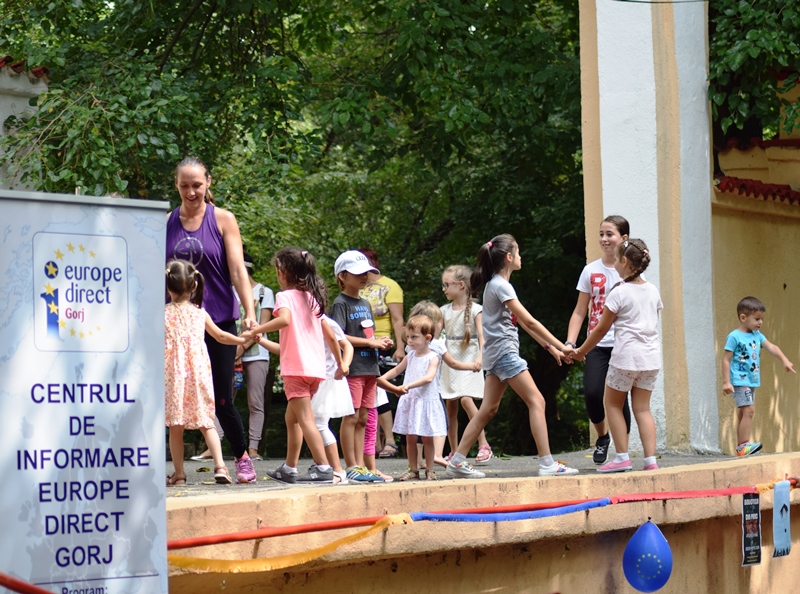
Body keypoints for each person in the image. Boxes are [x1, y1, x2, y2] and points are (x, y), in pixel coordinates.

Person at [445, 234, 579, 479]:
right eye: (518, 252)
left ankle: (457, 460)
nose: (520, 256)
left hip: (495, 355)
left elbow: (524, 325)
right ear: (509, 257)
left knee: (488, 410)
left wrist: (552, 349)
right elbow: (531, 321)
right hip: (504, 354)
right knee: (537, 401)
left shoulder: (495, 285)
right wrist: (564, 346)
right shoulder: (500, 286)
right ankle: (547, 463)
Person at [166, 156, 258, 484]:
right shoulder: (166, 222)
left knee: (220, 397)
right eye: (185, 186)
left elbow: (237, 271)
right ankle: (177, 470)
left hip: (217, 318)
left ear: (208, 183)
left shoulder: (222, 219)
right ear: (176, 185)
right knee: (172, 398)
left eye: (197, 185)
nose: (191, 192)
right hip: (177, 325)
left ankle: (241, 457)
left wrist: (249, 313)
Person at [244, 247, 345, 483]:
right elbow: (326, 338)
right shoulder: (312, 299)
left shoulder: (285, 296)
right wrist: (340, 363)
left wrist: (258, 328)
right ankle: (289, 468)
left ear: (282, 272)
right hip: (315, 370)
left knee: (306, 419)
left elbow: (284, 319)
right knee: (293, 418)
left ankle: (323, 468)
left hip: (296, 370)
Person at [570, 239, 662, 473]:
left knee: (612, 404)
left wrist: (581, 351)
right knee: (643, 408)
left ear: (624, 261)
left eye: (617, 260)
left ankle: (622, 457)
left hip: (626, 358)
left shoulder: (618, 292)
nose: (614, 264)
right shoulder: (653, 290)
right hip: (650, 359)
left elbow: (600, 329)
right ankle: (650, 461)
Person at [164, 259, 247, 486]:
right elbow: (220, 336)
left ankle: (179, 474)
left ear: (168, 286)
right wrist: (242, 339)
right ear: (194, 286)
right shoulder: (200, 313)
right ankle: (220, 467)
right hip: (199, 374)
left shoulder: (163, 314)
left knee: (176, 426)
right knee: (206, 422)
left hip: (174, 377)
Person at [565, 215, 632, 465]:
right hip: (596, 344)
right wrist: (570, 343)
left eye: (609, 234)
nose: (604, 239)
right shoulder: (590, 270)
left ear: (623, 238)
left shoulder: (630, 271)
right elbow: (580, 311)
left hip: (623, 345)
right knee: (593, 393)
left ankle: (622, 454)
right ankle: (603, 437)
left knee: (620, 400)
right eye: (601, 234)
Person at [331, 250, 393, 482]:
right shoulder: (340, 303)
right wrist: (369, 342)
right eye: (358, 273)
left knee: (364, 418)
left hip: (370, 367)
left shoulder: (366, 303)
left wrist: (380, 342)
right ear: (342, 276)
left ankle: (361, 467)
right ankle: (351, 466)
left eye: (366, 273)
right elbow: (338, 336)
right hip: (354, 368)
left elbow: (367, 333)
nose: (364, 277)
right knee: (351, 416)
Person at [722, 296, 795, 457]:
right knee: (749, 410)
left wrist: (785, 360)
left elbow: (772, 347)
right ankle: (743, 446)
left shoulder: (757, 335)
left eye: (762, 319)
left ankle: (741, 448)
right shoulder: (734, 337)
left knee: (743, 412)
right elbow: (726, 360)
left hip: (751, 380)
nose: (760, 322)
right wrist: (726, 382)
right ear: (743, 317)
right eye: (757, 319)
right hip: (739, 380)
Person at [378, 315, 447, 480]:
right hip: (411, 402)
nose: (409, 341)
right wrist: (381, 379)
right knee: (410, 438)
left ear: (427, 338)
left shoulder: (434, 357)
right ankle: (413, 470)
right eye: (408, 337)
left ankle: (430, 470)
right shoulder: (410, 356)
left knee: (427, 439)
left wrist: (408, 386)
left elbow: (428, 377)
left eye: (414, 337)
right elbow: (397, 370)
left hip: (425, 402)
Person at [440, 265, 490, 463]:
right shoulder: (443, 311)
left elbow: (483, 338)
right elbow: (435, 337)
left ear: (461, 285)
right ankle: (455, 451)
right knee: (450, 405)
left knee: (466, 400)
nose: (443, 289)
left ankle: (483, 444)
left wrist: (480, 358)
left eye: (446, 284)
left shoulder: (477, 310)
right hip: (450, 362)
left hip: (471, 359)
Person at [358, 248, 404, 459]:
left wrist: (400, 347)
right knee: (368, 394)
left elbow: (397, 319)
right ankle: (373, 443)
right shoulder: (358, 287)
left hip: (382, 345)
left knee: (379, 390)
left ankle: (390, 440)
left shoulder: (390, 286)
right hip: (360, 345)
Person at [237, 251, 275, 460]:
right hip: (231, 350)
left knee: (255, 401)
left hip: (256, 353)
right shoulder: (228, 291)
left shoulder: (264, 292)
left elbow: (262, 326)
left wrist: (239, 349)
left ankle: (253, 448)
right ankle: (215, 446)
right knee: (223, 400)